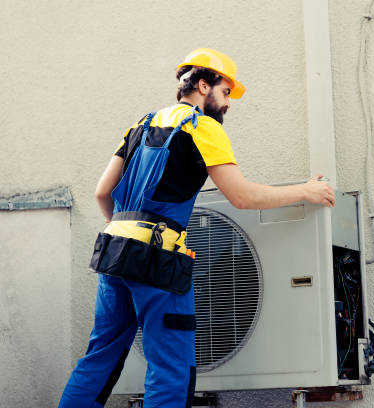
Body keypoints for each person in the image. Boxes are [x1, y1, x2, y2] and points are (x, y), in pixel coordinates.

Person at [58, 48, 335, 408]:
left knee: (101, 355)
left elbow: (102, 193)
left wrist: (127, 232)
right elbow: (241, 196)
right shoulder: (202, 127)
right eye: (226, 91)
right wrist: (306, 191)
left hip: (113, 253)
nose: (229, 103)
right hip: (158, 260)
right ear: (204, 85)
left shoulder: (140, 125)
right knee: (170, 366)